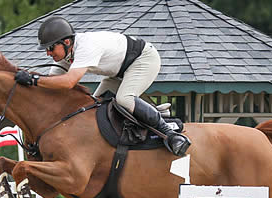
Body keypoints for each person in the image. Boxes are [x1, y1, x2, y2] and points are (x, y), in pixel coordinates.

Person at [14, 16, 191, 156]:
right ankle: (154, 113)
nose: (48, 53)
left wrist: (33, 80)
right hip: (118, 72)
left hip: (143, 60)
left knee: (124, 99)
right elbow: (51, 86)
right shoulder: (66, 55)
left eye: (51, 48)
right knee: (92, 107)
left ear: (66, 42)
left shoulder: (85, 47)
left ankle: (171, 135)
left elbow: (68, 83)